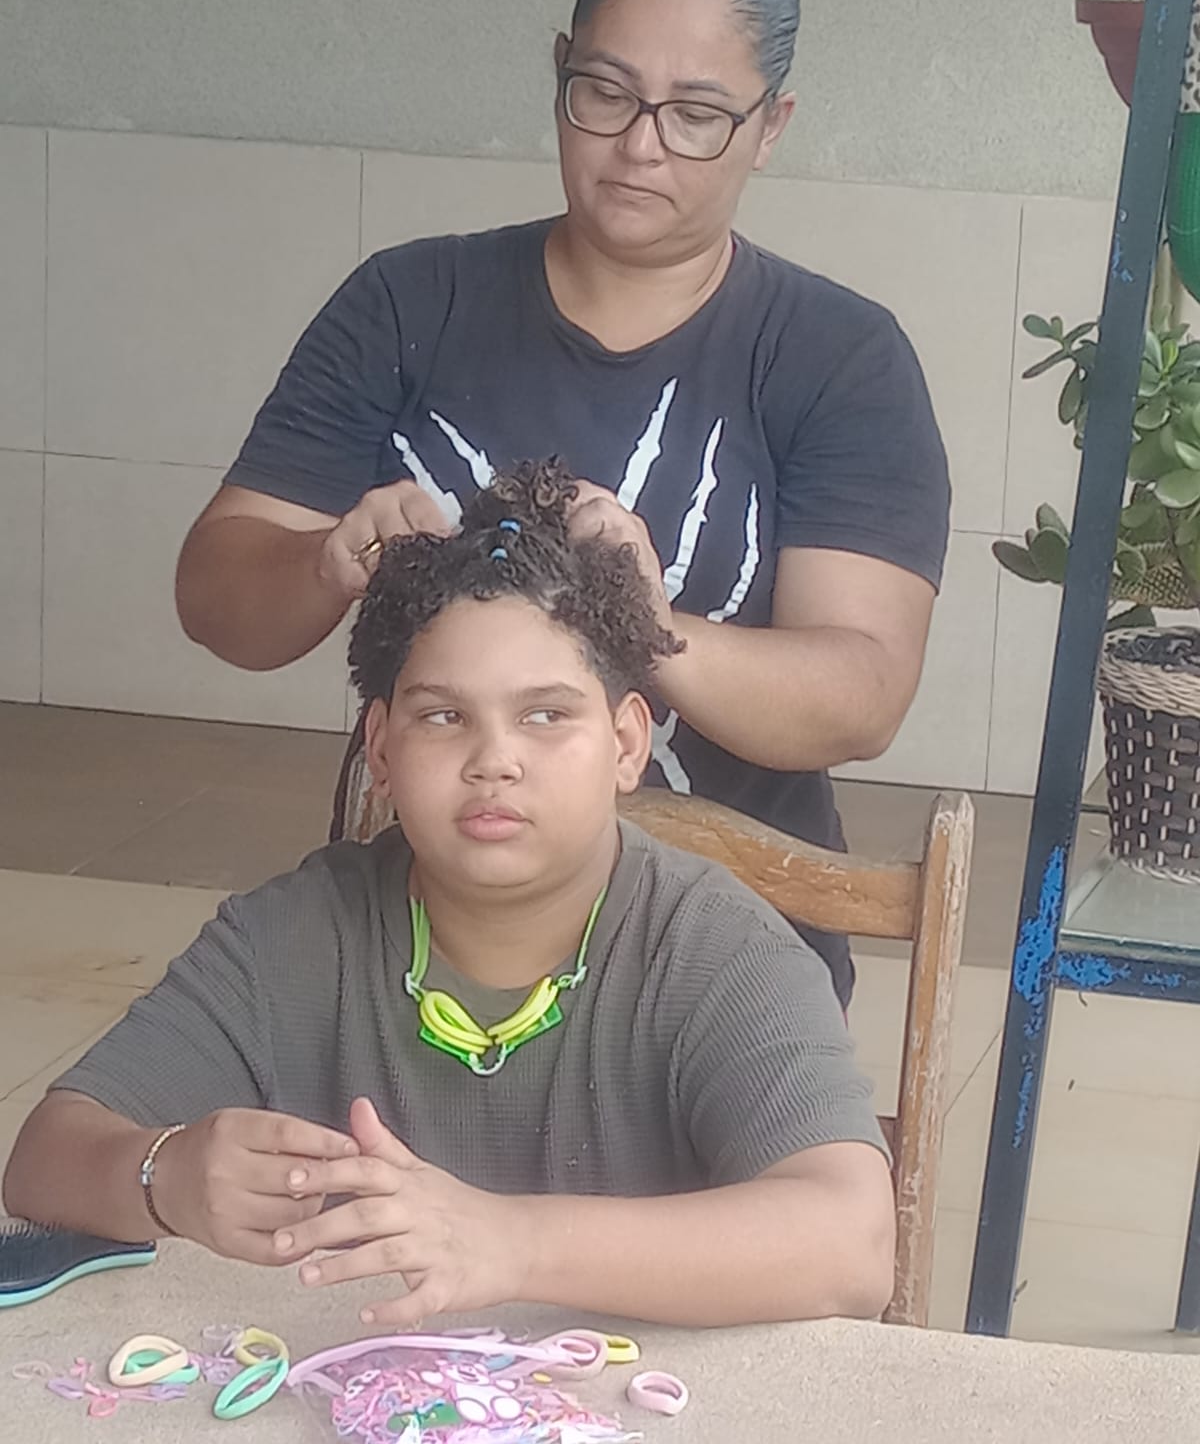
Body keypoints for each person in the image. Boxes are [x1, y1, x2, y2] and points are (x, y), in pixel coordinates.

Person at [174, 0, 950, 1009]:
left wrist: (645, 620)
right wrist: (324, 562)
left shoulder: (837, 356)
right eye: (606, 92)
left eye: (697, 115)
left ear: (770, 125)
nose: (641, 144)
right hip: (418, 953)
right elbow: (215, 597)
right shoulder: (409, 302)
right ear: (558, 72)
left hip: (725, 966)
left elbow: (860, 692)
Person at [5, 462, 894, 1329]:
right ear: (381, 750)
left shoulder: (716, 951)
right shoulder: (294, 936)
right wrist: (164, 1173)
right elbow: (44, 1160)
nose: (494, 760)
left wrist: (510, 1242)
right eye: (443, 716)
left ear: (627, 744)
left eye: (546, 715)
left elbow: (851, 1240)